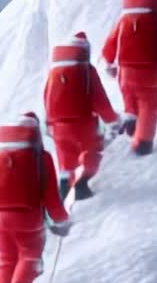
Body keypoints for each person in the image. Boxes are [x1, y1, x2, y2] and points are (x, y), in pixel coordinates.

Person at [0, 114, 70, 283]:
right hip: (28, 216)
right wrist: (61, 220)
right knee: (29, 256)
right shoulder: (41, 157)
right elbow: (50, 195)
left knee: (6, 258)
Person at [101, 0, 157, 155]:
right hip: (149, 74)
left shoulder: (124, 18)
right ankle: (143, 143)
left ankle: (130, 118)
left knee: (130, 100)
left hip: (124, 73)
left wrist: (108, 62)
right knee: (149, 107)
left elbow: (110, 43)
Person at [44, 32, 120, 201]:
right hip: (83, 124)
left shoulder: (54, 71)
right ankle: (81, 185)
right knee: (91, 154)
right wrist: (112, 120)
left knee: (66, 160)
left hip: (58, 127)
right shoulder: (86, 70)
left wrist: (49, 123)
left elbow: (46, 96)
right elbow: (99, 99)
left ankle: (64, 190)